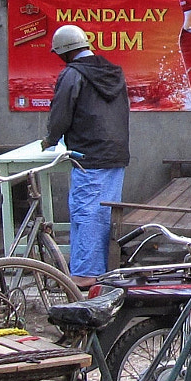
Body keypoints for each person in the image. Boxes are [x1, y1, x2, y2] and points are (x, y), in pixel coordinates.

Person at [42, 24, 130, 282]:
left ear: (65, 52)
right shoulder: (114, 72)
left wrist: (50, 139)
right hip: (115, 154)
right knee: (104, 213)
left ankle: (86, 273)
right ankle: (97, 267)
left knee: (86, 212)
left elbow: (60, 112)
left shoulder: (73, 74)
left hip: (89, 156)